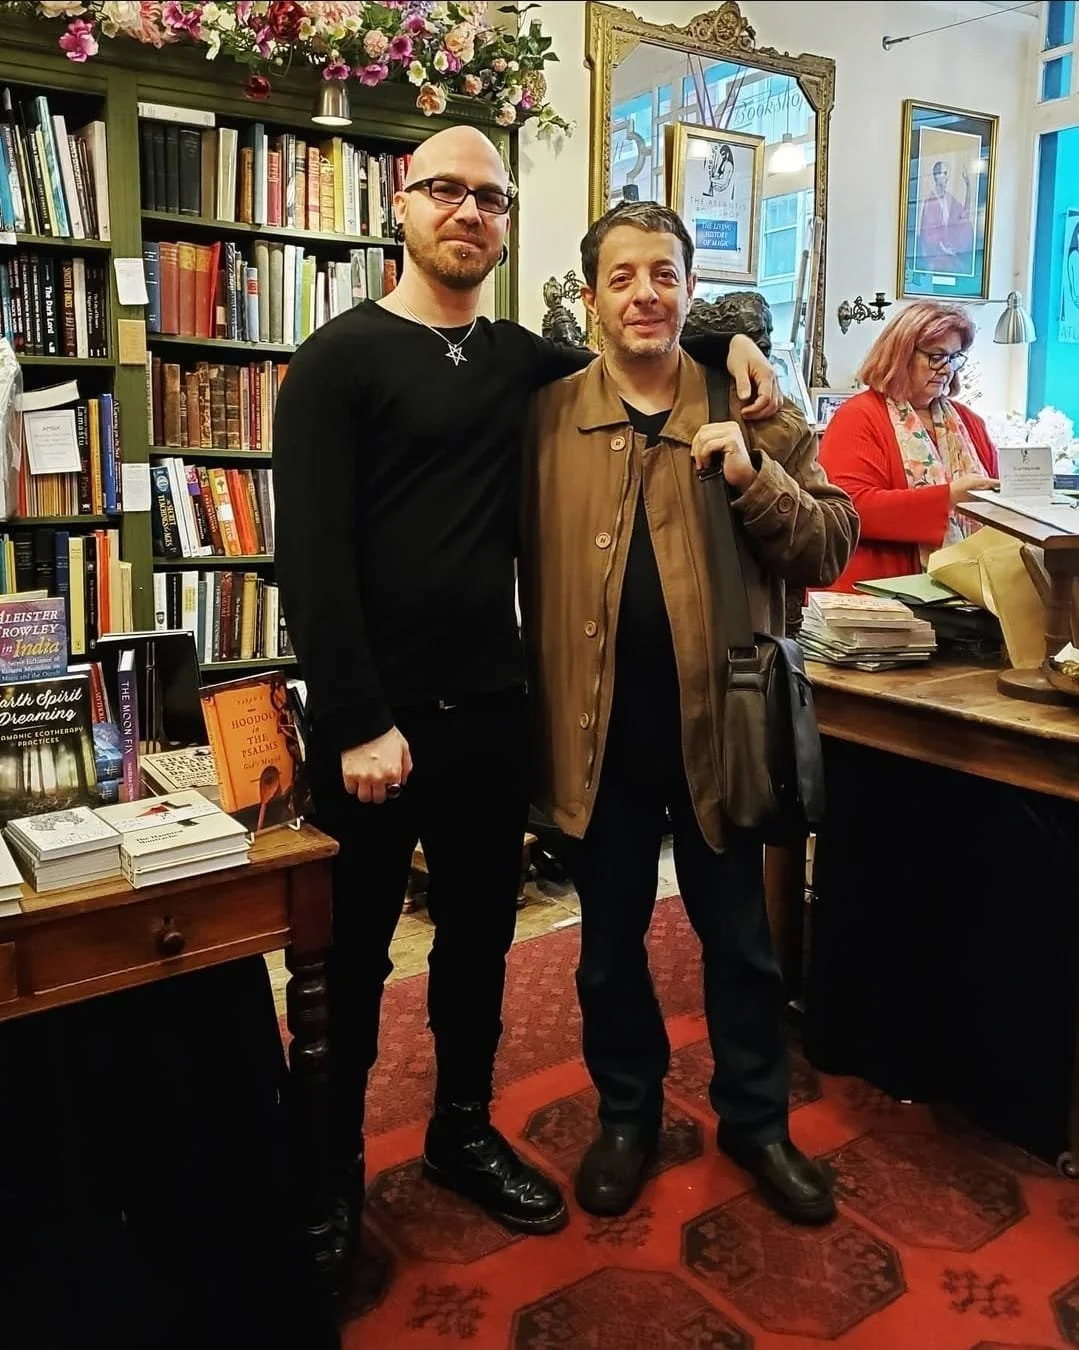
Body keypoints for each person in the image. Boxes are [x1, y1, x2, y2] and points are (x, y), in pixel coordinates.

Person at [271, 127, 781, 1302]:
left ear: (507, 225)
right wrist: (353, 717)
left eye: (489, 198)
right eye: (443, 190)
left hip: (496, 710)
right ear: (400, 205)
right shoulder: (336, 360)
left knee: (478, 948)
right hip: (373, 726)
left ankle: (458, 1129)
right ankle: (331, 1175)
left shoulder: (521, 364)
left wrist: (736, 331)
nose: (467, 212)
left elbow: (645, 334)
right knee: (347, 964)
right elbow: (310, 555)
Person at [518, 200, 856, 1224]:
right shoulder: (544, 416)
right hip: (594, 734)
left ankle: (755, 1123)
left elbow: (831, 544)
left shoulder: (754, 407)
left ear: (689, 290)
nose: (643, 295)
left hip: (724, 728)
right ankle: (626, 1115)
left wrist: (754, 478)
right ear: (588, 298)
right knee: (609, 943)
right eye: (620, 277)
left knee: (741, 941)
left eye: (662, 274)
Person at [818, 300, 998, 592]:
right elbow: (848, 509)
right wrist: (948, 498)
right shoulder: (858, 417)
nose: (946, 370)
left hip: (965, 597)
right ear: (901, 355)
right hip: (874, 595)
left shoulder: (971, 423)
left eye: (954, 358)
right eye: (936, 356)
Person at [916, 159, 974, 275]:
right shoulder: (930, 203)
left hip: (950, 254)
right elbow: (929, 236)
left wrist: (968, 186)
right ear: (937, 176)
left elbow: (964, 215)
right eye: (945, 174)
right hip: (936, 257)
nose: (947, 178)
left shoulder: (949, 198)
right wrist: (945, 250)